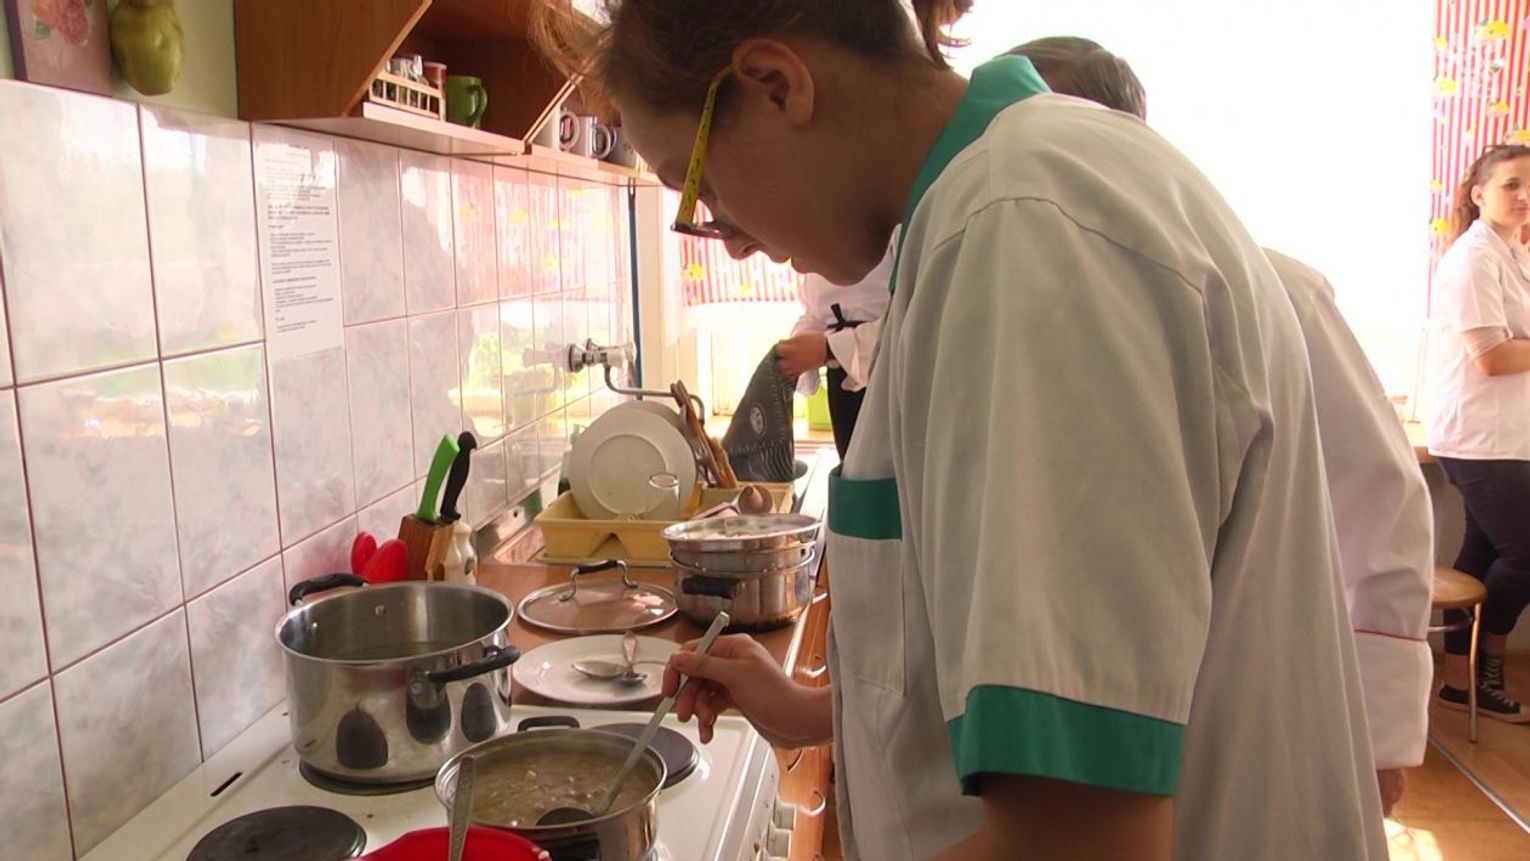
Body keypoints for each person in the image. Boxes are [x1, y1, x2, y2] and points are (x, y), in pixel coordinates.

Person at [533, 2, 1385, 858]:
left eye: (702, 189)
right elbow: (1053, 662)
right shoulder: (990, 213)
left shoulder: (1028, 229)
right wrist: (815, 710)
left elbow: (1075, 842)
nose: (730, 245)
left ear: (776, 84)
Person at [1006, 35, 1435, 816]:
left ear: (1128, 138)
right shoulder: (1016, 303)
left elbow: (1382, 500)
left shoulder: (1273, 290)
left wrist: (1377, 732)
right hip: (1085, 720)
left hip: (1261, 700)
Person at [1425, 142, 1530, 723]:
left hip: (1506, 436)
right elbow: (1491, 357)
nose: (1524, 195)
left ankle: (1459, 684)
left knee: (1481, 555)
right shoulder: (1472, 258)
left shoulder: (1514, 254)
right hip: (1479, 437)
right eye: (1512, 184)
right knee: (1525, 556)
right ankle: (1484, 668)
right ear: (1479, 193)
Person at [776, 241, 894, 458]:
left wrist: (830, 348)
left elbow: (908, 321)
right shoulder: (816, 246)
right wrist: (801, 342)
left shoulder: (894, 233)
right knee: (850, 458)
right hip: (839, 374)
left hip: (889, 371)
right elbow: (816, 311)